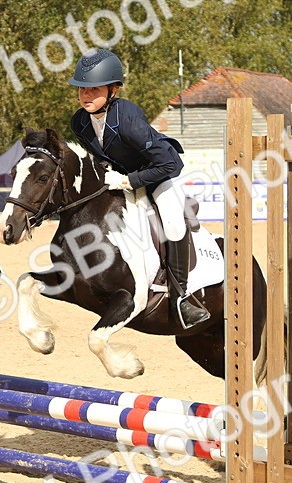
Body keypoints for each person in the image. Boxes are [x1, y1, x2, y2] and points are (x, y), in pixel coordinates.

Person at [67, 49, 209, 328]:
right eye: (82, 89)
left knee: (172, 222)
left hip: (157, 175)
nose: (86, 95)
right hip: (118, 177)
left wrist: (129, 181)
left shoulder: (128, 119)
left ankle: (182, 297)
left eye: (94, 89)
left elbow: (171, 164)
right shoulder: (79, 122)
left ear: (113, 90)